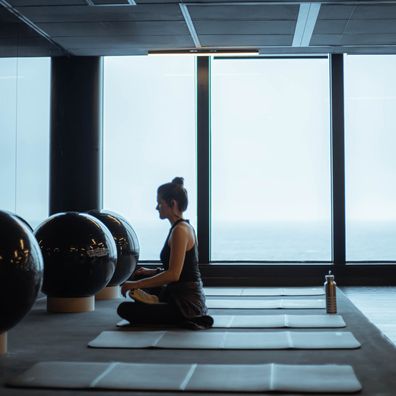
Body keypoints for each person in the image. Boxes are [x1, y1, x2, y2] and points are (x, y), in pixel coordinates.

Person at [118, 177, 213, 330]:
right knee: (140, 275)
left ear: (172, 204)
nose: (157, 207)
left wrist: (135, 284)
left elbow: (174, 275)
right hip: (177, 292)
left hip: (186, 304)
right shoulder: (180, 228)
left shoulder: (180, 231)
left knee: (124, 309)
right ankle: (157, 301)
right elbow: (181, 269)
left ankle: (159, 304)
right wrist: (151, 272)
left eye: (160, 203)